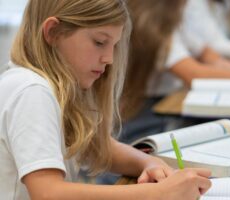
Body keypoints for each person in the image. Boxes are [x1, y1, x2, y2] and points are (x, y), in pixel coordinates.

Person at [0, 0, 212, 199]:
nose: (109, 59)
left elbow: (95, 147)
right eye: (100, 42)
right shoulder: (31, 90)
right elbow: (48, 193)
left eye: (114, 45)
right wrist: (158, 193)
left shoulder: (54, 87)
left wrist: (149, 162)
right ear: (53, 32)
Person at [121, 0, 230, 143]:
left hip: (169, 105)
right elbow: (193, 74)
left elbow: (207, 52)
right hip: (149, 115)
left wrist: (225, 65)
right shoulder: (149, 23)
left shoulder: (175, 15)